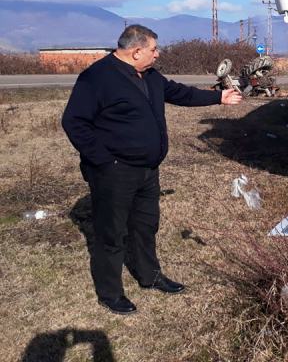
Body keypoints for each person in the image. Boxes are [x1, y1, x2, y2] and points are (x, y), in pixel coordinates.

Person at [62, 24, 242, 315]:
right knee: (112, 233)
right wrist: (105, 161)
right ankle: (110, 293)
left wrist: (218, 97)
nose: (158, 55)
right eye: (153, 50)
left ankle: (149, 276)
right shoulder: (97, 77)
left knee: (146, 226)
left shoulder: (150, 76)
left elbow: (178, 93)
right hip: (114, 171)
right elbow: (74, 122)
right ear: (135, 52)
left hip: (147, 169)